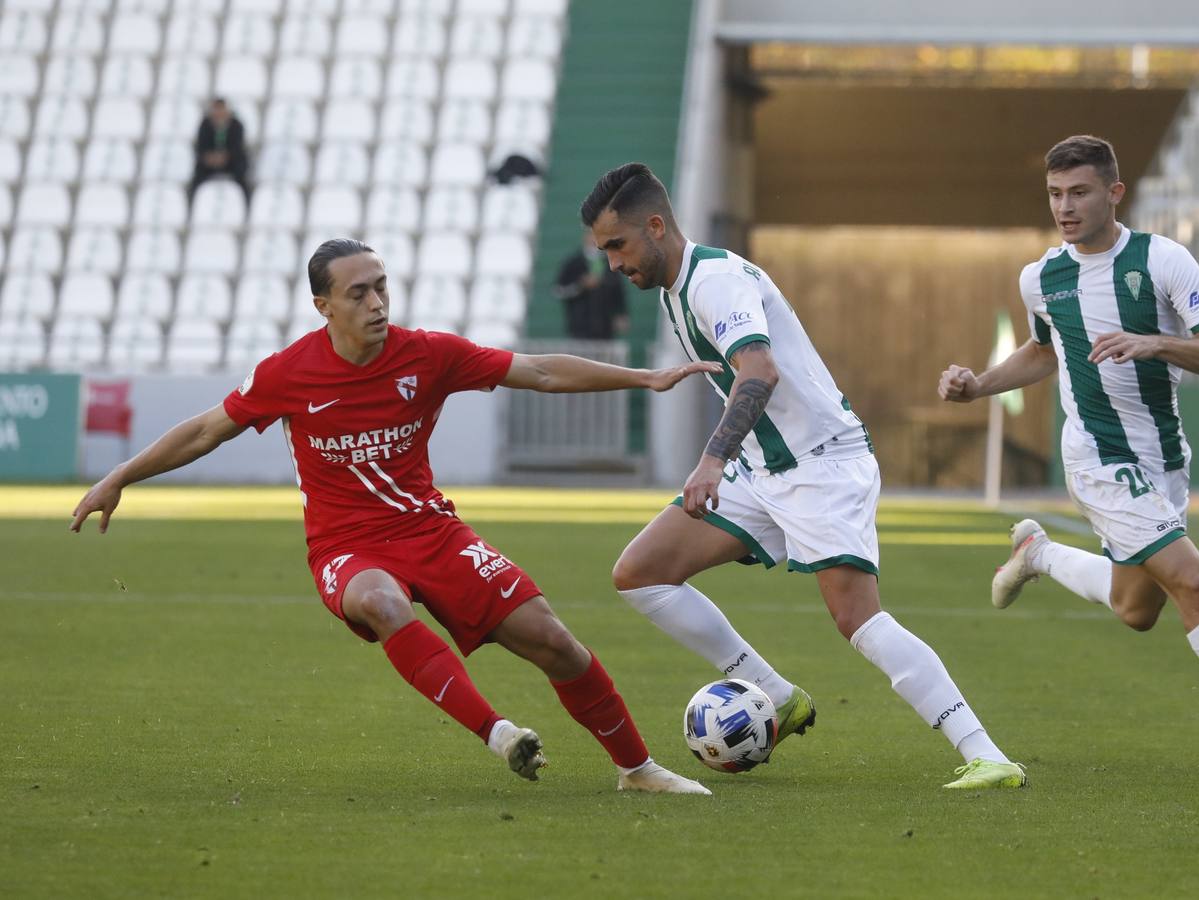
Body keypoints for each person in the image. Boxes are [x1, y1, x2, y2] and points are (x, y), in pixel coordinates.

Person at [70, 238, 718, 795]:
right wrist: (121, 475)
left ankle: (637, 769)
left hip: (430, 530)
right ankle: (498, 733)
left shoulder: (427, 354)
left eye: (382, 288)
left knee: (555, 643)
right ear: (323, 307)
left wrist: (643, 378)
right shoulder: (287, 373)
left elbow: (541, 371)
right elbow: (208, 430)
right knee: (382, 602)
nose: (377, 303)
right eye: (358, 294)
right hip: (345, 548)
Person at [584, 163, 1028, 791]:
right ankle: (774, 694)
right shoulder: (674, 288)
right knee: (640, 573)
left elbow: (758, 370)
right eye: (604, 251)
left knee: (858, 620)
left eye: (617, 246)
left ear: (655, 226)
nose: (612, 264)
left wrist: (711, 459)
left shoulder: (714, 281)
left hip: (821, 465)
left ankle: (987, 755)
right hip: (764, 468)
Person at [937, 134, 1199, 765]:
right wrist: (978, 387)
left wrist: (1154, 342)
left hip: (1163, 460)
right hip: (1100, 458)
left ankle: (1037, 554)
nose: (1065, 207)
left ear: (1114, 193)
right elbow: (1045, 351)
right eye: (1055, 194)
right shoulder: (1042, 277)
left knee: (1136, 609)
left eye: (1079, 192)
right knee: (1196, 584)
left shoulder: (1162, 261)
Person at [555, 228, 628, 340]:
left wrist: (621, 313)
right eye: (591, 235)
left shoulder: (610, 262)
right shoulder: (573, 262)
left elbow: (618, 291)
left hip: (605, 328)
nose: (593, 240)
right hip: (579, 327)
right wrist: (580, 286)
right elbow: (559, 291)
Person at [188, 97, 252, 210]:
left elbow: (238, 147)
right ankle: (192, 205)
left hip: (231, 162)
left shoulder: (236, 125)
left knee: (241, 174)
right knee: (196, 176)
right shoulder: (205, 125)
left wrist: (225, 156)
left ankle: (247, 204)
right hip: (209, 162)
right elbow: (201, 146)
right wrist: (209, 157)